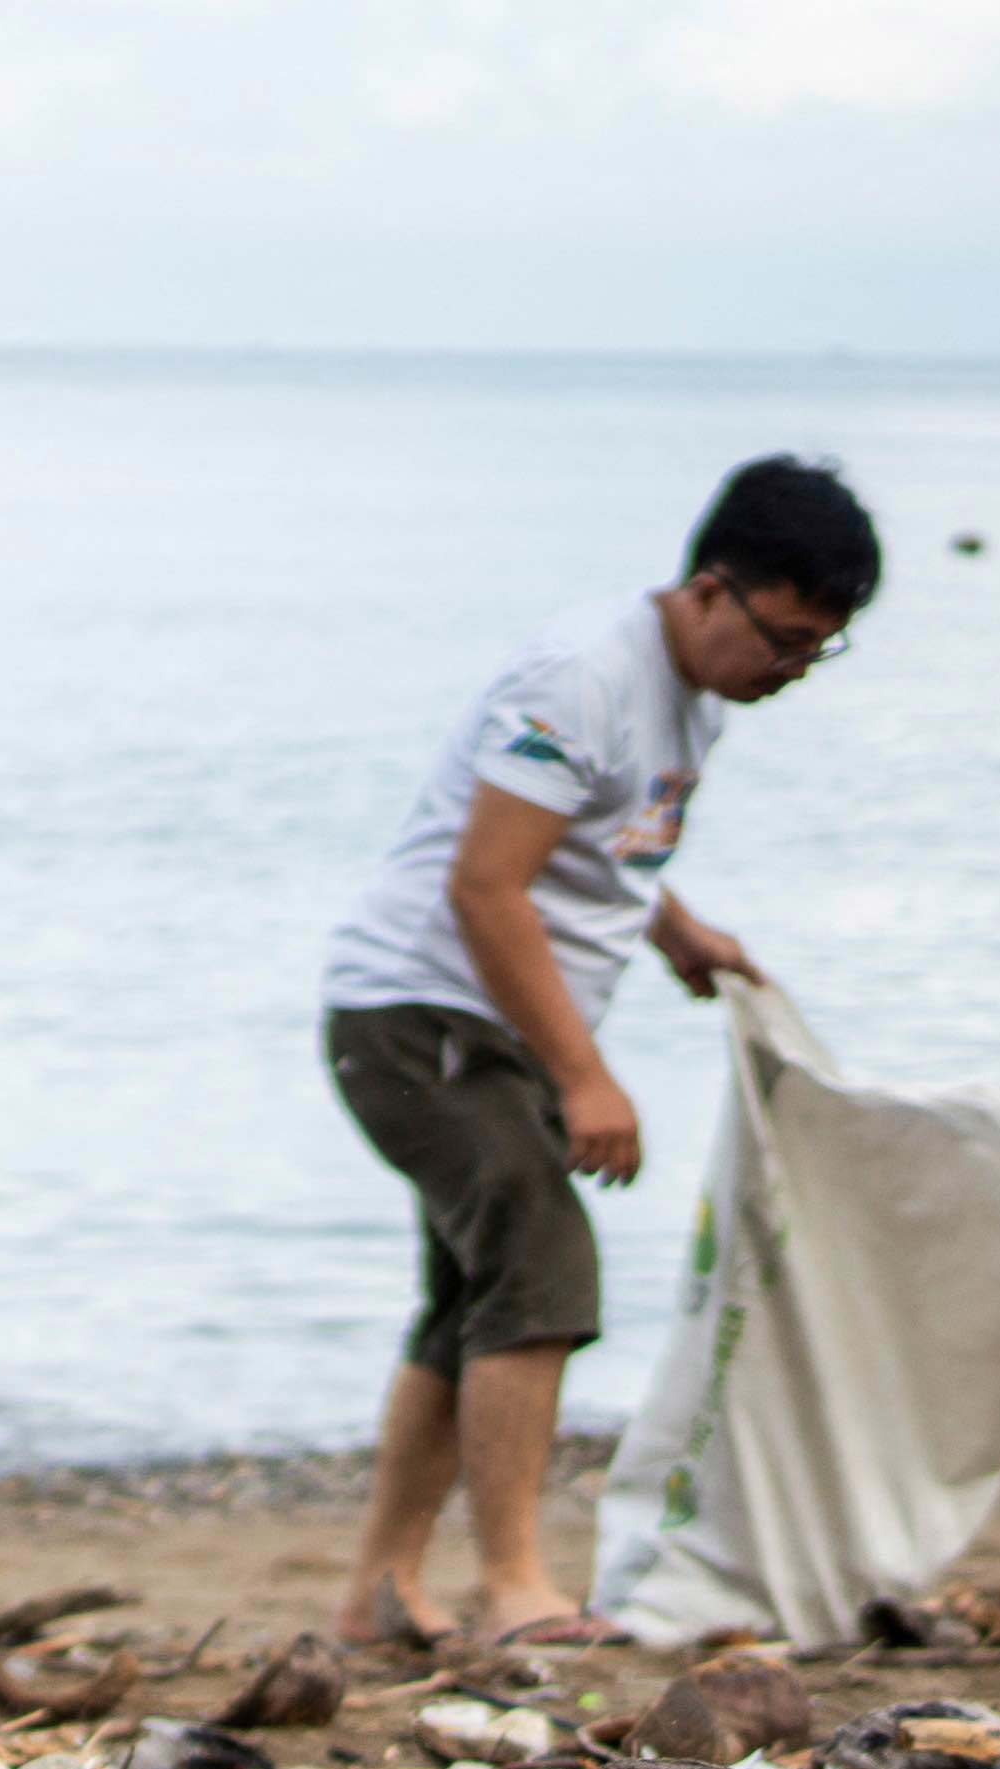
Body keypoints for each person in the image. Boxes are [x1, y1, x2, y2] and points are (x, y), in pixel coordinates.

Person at [315, 453, 880, 1653]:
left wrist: (675, 928)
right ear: (712, 589)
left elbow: (604, 850)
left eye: (816, 651)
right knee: (541, 1261)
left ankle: (379, 1587)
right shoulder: (583, 676)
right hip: (418, 1011)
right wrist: (584, 1076)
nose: (787, 671)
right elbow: (485, 886)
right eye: (781, 637)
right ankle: (516, 1588)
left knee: (468, 1295)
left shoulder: (700, 699)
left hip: (491, 1019)